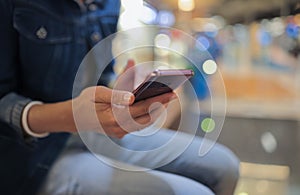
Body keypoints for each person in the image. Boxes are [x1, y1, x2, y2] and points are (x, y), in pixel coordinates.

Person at [0, 0, 239, 194]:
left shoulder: (108, 4)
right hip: (29, 157)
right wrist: (73, 116)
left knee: (225, 166)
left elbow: (101, 79)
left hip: (91, 134)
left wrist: (121, 95)